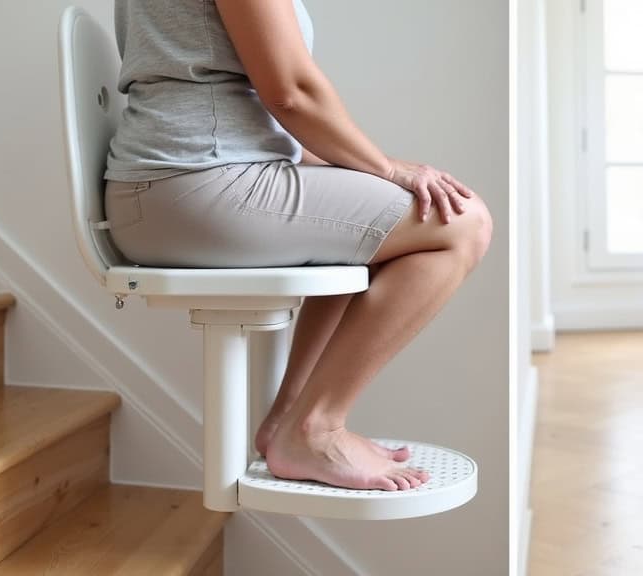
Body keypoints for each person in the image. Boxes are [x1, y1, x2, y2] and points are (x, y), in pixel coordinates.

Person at [103, 0, 492, 492]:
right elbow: (290, 92)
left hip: (172, 187)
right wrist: (389, 170)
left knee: (385, 223)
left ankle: (289, 419)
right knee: (464, 223)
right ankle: (317, 428)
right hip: (195, 183)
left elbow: (258, 107)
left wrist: (377, 171)